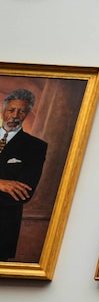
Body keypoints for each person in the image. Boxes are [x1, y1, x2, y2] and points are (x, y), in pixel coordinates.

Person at [0, 89, 47, 262]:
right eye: (11, 110)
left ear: (28, 114)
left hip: (2, 231)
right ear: (3, 110)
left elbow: (22, 194)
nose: (15, 115)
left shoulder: (36, 147)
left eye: (22, 111)